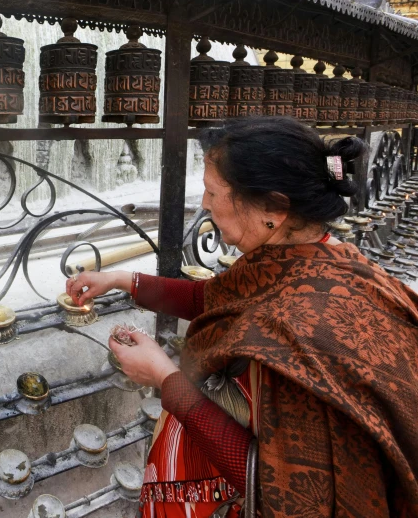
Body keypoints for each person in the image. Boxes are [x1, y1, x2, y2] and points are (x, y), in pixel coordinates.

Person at [66, 117, 418, 518]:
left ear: (273, 207)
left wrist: (165, 378)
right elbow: (217, 298)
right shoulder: (317, 257)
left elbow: (277, 490)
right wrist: (122, 280)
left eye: (214, 191)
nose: (204, 203)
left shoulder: (300, 338)